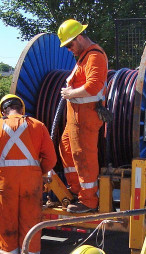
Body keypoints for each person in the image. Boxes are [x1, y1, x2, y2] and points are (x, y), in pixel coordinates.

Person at [0, 94, 57, 254]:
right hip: (31, 186)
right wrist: (35, 172)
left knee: (6, 230)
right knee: (31, 229)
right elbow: (51, 159)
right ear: (22, 109)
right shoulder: (38, 126)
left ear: (3, 111)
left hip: (3, 186)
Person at [57, 19, 109, 213]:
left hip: (86, 118)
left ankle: (88, 200)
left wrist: (70, 94)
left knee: (83, 156)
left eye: (70, 45)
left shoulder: (94, 56)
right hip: (76, 117)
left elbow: (94, 86)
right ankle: (77, 192)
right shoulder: (84, 58)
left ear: (79, 38)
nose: (69, 49)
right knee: (66, 148)